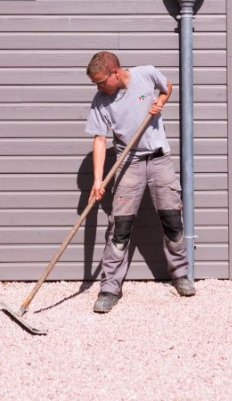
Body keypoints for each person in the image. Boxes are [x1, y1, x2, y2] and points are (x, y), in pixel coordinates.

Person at [84, 50, 196, 314]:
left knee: (172, 220)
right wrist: (98, 180)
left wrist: (161, 101)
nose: (99, 88)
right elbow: (100, 139)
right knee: (119, 228)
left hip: (159, 160)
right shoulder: (101, 101)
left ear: (115, 72)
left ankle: (180, 274)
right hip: (128, 163)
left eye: (101, 81)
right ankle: (110, 287)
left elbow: (167, 86)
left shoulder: (145, 74)